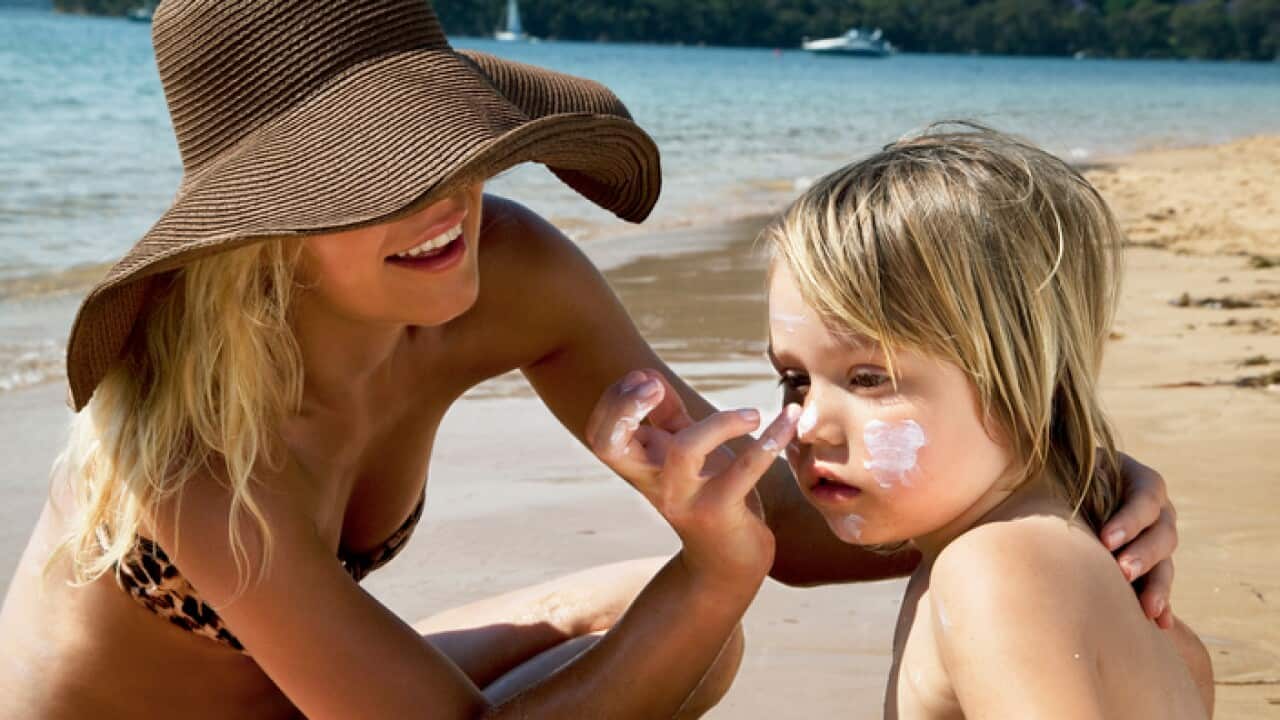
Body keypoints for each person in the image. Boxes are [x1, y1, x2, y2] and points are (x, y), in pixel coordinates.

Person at [0, 0, 1183, 716]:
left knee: (665, 628)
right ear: (260, 220)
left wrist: (1049, 481)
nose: (442, 198)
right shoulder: (196, 450)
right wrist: (714, 574)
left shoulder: (505, 274)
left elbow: (780, 513)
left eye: (444, 143)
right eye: (366, 177)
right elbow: (735, 558)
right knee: (692, 609)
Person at [589, 125, 1214, 718]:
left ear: (1020, 375)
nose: (808, 426)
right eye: (796, 380)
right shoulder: (1075, 573)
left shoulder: (998, 569)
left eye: (868, 379)